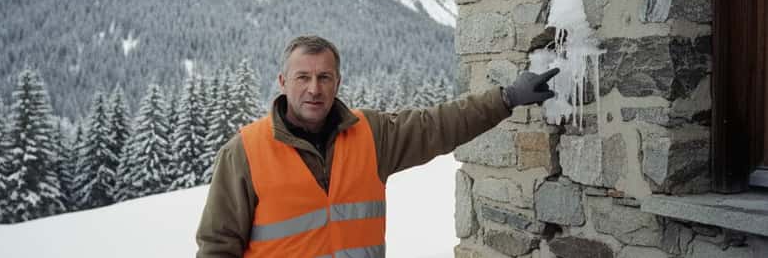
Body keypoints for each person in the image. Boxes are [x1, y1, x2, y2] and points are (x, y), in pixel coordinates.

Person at [196, 35, 558, 258]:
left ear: (338, 82)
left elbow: (439, 125)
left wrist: (506, 98)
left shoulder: (370, 134)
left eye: (324, 77)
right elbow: (217, 246)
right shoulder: (244, 152)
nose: (314, 88)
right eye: (302, 77)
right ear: (282, 81)